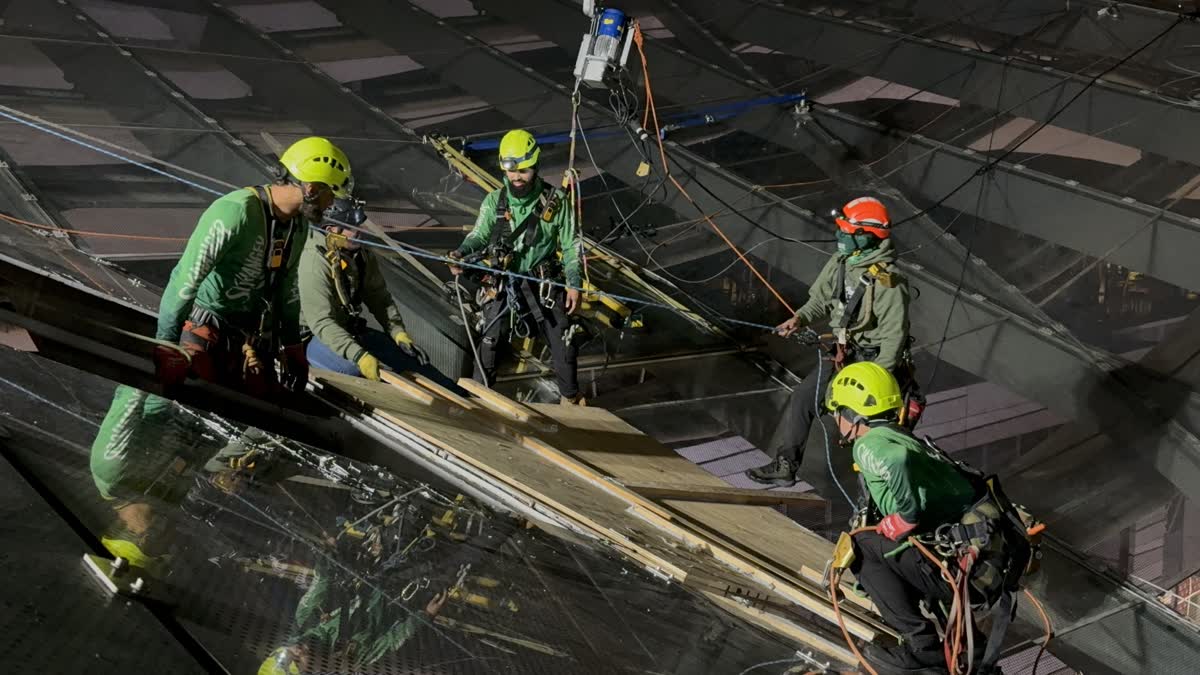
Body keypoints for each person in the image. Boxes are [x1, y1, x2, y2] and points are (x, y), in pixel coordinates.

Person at [153, 136, 354, 398]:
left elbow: (286, 291)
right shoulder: (236, 211)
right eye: (331, 194)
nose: (331, 205)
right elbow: (186, 280)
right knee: (172, 399)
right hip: (204, 328)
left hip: (244, 338)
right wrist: (166, 343)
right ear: (311, 189)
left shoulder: (298, 225)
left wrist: (293, 347)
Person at [746, 196, 911, 487]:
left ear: (866, 236)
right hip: (844, 354)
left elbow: (893, 338)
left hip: (873, 363)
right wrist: (799, 319)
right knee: (803, 398)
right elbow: (820, 300)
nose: (840, 236)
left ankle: (880, 490)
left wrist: (877, 380)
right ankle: (786, 466)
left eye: (847, 232)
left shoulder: (889, 284)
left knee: (861, 427)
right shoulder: (841, 262)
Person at [825, 362, 977, 674]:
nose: (836, 420)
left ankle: (922, 647)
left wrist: (906, 517)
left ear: (852, 414)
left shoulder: (869, 444)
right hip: (976, 568)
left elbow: (895, 460)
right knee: (894, 548)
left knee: (860, 546)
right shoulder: (903, 437)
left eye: (837, 412)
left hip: (955, 574)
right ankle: (972, 649)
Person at [447, 129, 584, 404]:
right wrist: (461, 252)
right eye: (512, 171)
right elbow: (479, 235)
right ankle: (479, 398)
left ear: (536, 167)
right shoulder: (494, 202)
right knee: (489, 339)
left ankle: (571, 399)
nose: (517, 177)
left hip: (542, 282)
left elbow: (571, 246)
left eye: (524, 171)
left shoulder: (556, 203)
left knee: (562, 342)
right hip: (504, 280)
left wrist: (573, 283)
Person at [300, 197, 462, 392]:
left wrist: (398, 333)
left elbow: (379, 298)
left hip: (349, 330)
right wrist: (358, 355)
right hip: (315, 337)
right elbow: (321, 322)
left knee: (410, 360)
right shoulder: (314, 263)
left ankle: (460, 397)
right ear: (331, 230)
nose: (360, 231)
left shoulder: (359, 255)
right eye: (352, 227)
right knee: (352, 370)